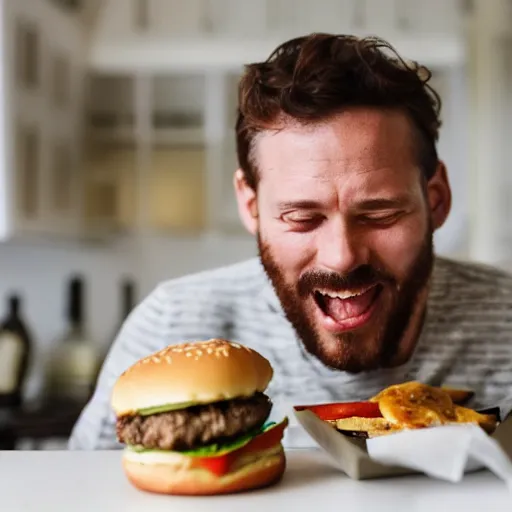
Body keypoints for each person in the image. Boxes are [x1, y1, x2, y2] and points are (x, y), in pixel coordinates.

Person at [68, 33, 512, 450]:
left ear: (436, 200)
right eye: (302, 217)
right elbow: (77, 492)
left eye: (380, 214)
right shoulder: (172, 325)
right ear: (251, 206)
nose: (342, 257)